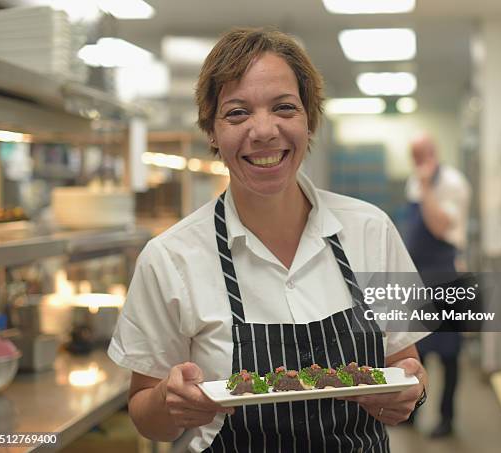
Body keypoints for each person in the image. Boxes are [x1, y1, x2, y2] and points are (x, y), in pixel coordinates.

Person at [108, 27, 429, 452]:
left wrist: (409, 393)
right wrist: (173, 405)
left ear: (309, 121)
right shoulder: (170, 258)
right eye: (237, 113)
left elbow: (405, 365)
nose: (264, 130)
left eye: (284, 108)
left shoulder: (371, 229)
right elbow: (145, 414)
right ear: (212, 132)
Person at [404, 133, 471, 438]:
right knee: (417, 348)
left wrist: (428, 186)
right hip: (418, 278)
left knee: (447, 352)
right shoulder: (414, 181)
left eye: (422, 156)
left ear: (434, 153)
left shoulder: (452, 183)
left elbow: (441, 226)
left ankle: (447, 418)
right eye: (414, 157)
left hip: (446, 275)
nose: (418, 163)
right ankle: (413, 412)